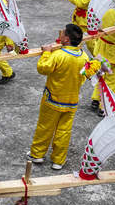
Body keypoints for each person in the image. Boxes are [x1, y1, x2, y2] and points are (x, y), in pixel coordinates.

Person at [28, 24, 89, 170]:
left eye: (62, 35)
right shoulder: (84, 57)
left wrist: (47, 53)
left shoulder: (59, 55)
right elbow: (85, 76)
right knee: (64, 131)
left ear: (66, 39)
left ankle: (37, 154)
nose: (60, 36)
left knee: (45, 127)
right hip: (72, 100)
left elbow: (43, 68)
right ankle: (58, 160)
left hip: (53, 99)